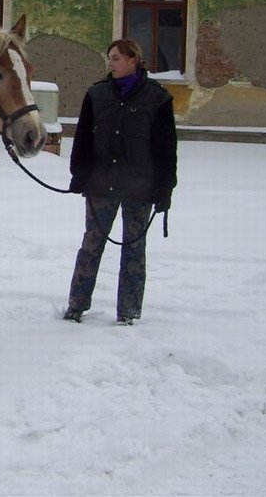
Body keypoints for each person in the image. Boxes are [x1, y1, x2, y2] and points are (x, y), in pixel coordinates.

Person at [63, 38, 177, 325]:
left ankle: (128, 312)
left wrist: (165, 187)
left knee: (134, 251)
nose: (111, 63)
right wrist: (79, 173)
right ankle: (76, 305)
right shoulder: (97, 95)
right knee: (91, 245)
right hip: (101, 186)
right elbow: (83, 140)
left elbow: (166, 148)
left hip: (140, 189)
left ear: (133, 60)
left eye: (116, 58)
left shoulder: (157, 98)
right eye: (110, 58)